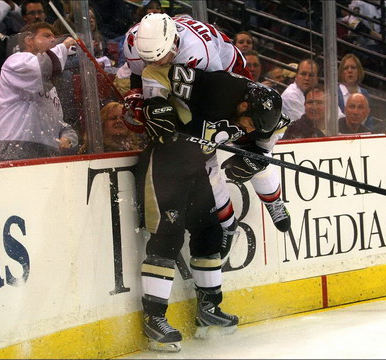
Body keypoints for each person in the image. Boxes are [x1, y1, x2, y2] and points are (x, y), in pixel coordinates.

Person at [125, 62, 288, 352]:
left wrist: (255, 158)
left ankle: (209, 307)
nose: (248, 130)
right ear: (241, 105)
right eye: (249, 123)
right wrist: (157, 105)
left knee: (209, 233)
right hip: (164, 164)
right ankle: (154, 318)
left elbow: (265, 143)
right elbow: (155, 71)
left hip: (197, 167)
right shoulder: (217, 87)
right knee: (167, 239)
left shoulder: (265, 112)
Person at [124, 14, 289, 240]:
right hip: (188, 77)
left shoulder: (199, 53)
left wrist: (239, 145)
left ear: (174, 43)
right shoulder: (134, 43)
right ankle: (228, 226)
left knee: (252, 136)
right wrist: (140, 99)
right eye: (148, 59)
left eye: (160, 57)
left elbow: (214, 99)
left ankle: (273, 199)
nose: (154, 63)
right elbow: (141, 76)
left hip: (229, 74)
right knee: (202, 150)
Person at [0, 22, 78, 161]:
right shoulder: (17, 61)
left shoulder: (49, 87)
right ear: (29, 40)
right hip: (11, 147)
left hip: (43, 151)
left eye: (54, 37)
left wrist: (68, 137)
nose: (52, 40)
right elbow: (43, 67)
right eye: (46, 36)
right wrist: (63, 46)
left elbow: (57, 121)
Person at [79, 101, 143, 154]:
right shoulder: (92, 150)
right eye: (113, 118)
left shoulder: (138, 151)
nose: (119, 121)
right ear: (102, 124)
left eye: (123, 118)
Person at [337, 53, 378, 131]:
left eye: (353, 67)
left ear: (358, 71)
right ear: (341, 72)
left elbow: (368, 120)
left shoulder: (364, 93)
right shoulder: (334, 93)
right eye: (346, 68)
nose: (349, 71)